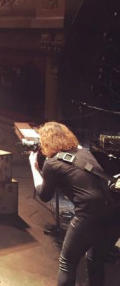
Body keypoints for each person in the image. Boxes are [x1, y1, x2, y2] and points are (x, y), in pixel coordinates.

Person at [29, 122, 120, 286]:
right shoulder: (83, 152)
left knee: (67, 263)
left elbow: (44, 195)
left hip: (89, 217)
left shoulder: (53, 163)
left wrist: (34, 168)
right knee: (95, 259)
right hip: (114, 213)